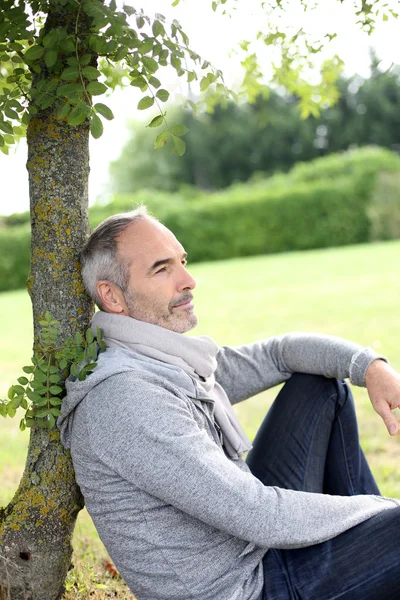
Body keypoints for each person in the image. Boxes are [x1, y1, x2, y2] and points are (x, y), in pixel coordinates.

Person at [58, 207, 400, 600]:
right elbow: (261, 516)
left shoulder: (163, 359)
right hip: (250, 588)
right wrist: (380, 511)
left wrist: (370, 367)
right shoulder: (126, 399)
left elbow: (279, 354)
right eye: (161, 269)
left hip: (255, 551)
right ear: (112, 296)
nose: (189, 281)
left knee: (319, 385)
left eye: (182, 262)